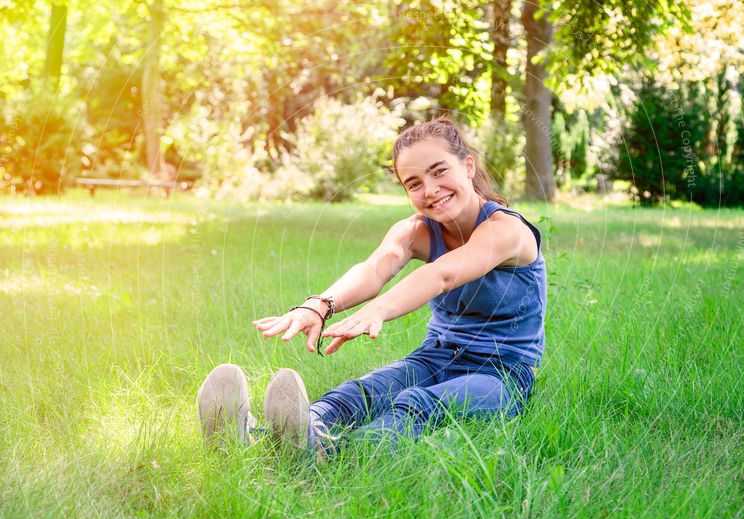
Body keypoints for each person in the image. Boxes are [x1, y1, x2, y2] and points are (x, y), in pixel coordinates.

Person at [197, 116, 546, 458]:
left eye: (440, 171)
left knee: (415, 405)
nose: (430, 190)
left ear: (468, 166)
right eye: (414, 183)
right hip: (437, 356)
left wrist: (378, 310)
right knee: (360, 393)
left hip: (503, 374)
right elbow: (373, 269)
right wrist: (319, 305)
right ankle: (254, 439)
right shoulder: (417, 231)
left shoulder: (507, 231)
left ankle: (324, 453)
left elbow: (441, 275)